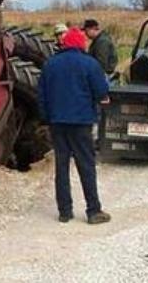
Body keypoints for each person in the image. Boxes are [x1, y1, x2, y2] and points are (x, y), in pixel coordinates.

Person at [38, 27, 111, 225]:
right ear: (80, 43)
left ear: (64, 43)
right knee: (86, 166)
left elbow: (42, 97)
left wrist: (47, 118)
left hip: (57, 123)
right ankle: (93, 210)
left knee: (61, 167)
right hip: (81, 122)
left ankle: (64, 212)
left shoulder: (50, 65)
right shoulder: (90, 64)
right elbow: (102, 91)